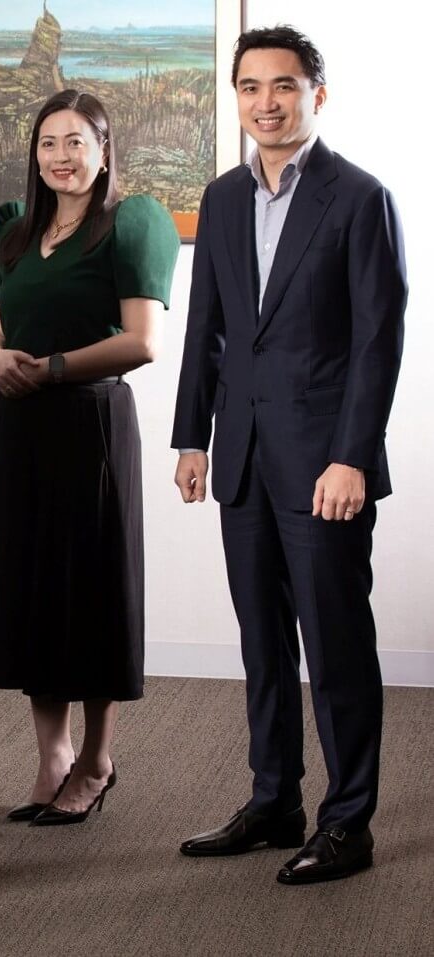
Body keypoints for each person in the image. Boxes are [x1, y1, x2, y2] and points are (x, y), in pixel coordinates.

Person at [173, 26, 405, 884]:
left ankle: (349, 822)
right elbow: (210, 325)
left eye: (284, 85)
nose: (266, 102)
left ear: (317, 94)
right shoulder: (225, 196)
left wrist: (352, 457)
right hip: (241, 456)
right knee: (262, 640)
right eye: (249, 87)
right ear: (234, 98)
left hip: (324, 465)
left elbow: (378, 343)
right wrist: (193, 434)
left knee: (335, 641)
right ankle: (274, 800)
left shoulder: (359, 197)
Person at [0, 90, 179, 826]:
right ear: (35, 152)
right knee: (32, 589)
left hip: (90, 422)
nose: (62, 155)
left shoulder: (134, 221)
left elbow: (142, 342)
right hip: (20, 425)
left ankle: (96, 759)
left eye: (76, 142)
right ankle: (51, 755)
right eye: (49, 142)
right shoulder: (14, 228)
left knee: (91, 591)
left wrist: (53, 367)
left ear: (104, 147)